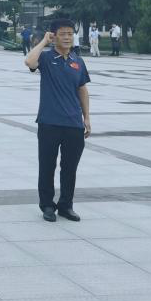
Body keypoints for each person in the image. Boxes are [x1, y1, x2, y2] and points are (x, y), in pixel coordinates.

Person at [25, 18, 91, 223]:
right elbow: (29, 62)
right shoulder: (46, 58)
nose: (67, 37)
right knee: (47, 166)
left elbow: (82, 89)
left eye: (70, 34)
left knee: (70, 167)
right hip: (49, 122)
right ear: (54, 36)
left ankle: (66, 205)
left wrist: (86, 117)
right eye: (62, 33)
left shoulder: (77, 61)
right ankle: (47, 205)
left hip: (73, 123)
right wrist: (44, 42)